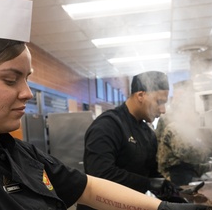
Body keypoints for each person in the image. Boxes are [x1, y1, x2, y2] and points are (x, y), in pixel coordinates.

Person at [0, 0, 212, 210]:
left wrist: (161, 207)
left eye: (27, 77)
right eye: (10, 79)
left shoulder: (18, 151)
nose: (27, 93)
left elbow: (89, 187)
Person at [78, 71, 190, 210]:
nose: (163, 110)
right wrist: (148, 183)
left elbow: (151, 173)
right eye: (159, 102)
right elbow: (101, 174)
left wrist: (177, 197)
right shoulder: (108, 125)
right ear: (141, 95)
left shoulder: (147, 133)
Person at [155, 80, 212, 186]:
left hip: (183, 169)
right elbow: (186, 151)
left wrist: (209, 166)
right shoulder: (169, 119)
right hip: (172, 175)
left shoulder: (188, 115)